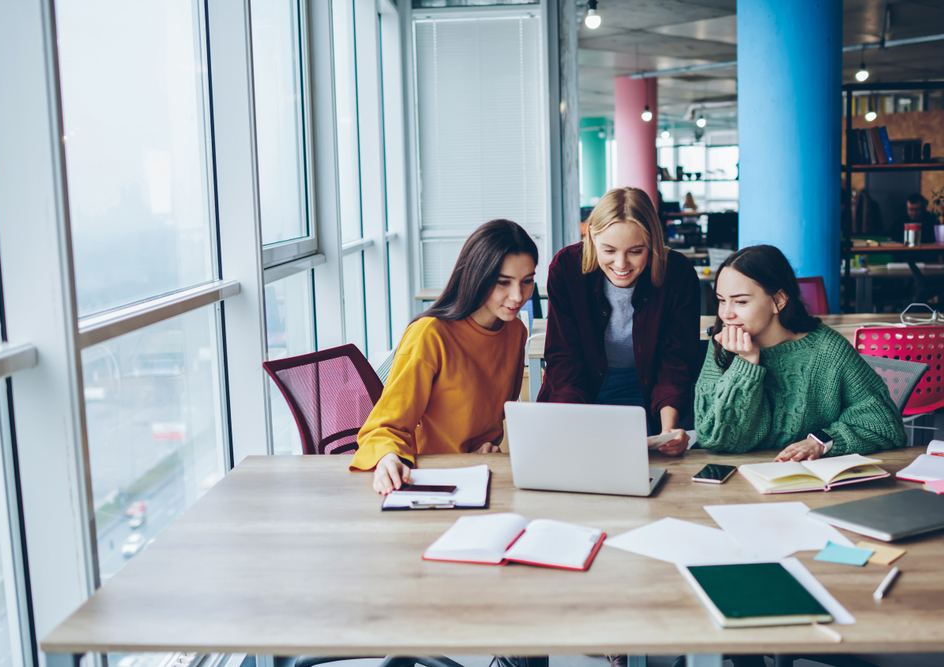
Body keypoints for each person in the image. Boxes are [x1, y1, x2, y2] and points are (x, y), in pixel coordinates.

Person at [350, 219, 536, 494]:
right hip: (424, 480)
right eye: (503, 282)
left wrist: (483, 446)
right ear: (477, 276)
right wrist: (388, 458)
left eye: (527, 281)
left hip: (479, 474)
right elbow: (383, 427)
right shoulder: (430, 334)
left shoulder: (515, 331)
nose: (518, 295)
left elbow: (489, 420)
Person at [695, 244, 907, 460]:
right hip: (737, 481)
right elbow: (712, 437)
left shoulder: (827, 348)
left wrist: (821, 442)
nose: (726, 314)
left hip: (810, 482)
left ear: (778, 300)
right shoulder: (723, 345)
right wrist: (746, 363)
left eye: (740, 301)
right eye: (722, 300)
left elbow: (885, 425)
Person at [539, 187, 700, 455]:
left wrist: (668, 432)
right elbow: (565, 357)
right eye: (609, 250)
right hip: (580, 390)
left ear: (653, 243)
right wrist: (567, 424)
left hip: (644, 391)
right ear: (591, 236)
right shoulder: (566, 268)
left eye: (636, 251)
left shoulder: (678, 273)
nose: (621, 264)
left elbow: (676, 360)